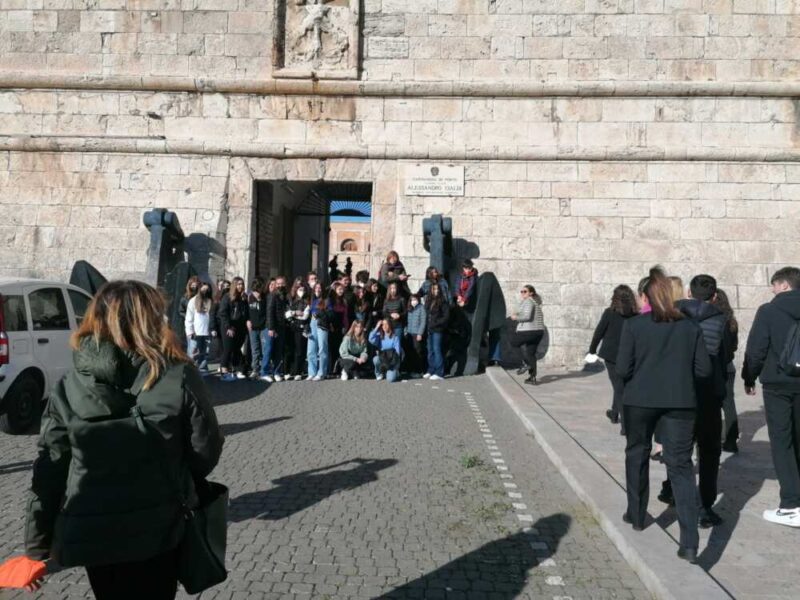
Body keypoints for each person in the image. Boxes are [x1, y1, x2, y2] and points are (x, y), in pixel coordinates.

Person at [24, 280, 223, 599]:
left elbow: (50, 468)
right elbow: (205, 452)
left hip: (92, 528)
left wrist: (36, 545)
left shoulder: (68, 384)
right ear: (153, 319)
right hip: (158, 527)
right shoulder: (178, 374)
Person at [616, 266, 712, 564]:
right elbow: (704, 371)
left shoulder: (634, 327)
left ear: (647, 297)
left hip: (640, 400)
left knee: (637, 452)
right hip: (681, 402)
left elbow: (622, 369)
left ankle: (636, 514)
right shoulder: (690, 327)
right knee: (680, 466)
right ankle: (689, 543)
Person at [672, 274, 731, 528]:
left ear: (688, 292)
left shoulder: (673, 316)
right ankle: (705, 506)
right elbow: (727, 354)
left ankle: (677, 498)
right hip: (708, 393)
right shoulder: (721, 320)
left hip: (678, 391)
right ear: (714, 295)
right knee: (709, 452)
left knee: (679, 451)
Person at [743, 266, 800, 528]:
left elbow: (756, 348)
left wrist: (749, 377)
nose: (773, 289)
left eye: (775, 285)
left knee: (782, 441)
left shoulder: (769, 310)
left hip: (778, 384)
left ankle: (791, 505)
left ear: (785, 285)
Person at [588, 285, 638, 433]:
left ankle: (625, 425)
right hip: (629, 356)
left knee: (619, 387)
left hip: (611, 356)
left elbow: (599, 333)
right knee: (621, 386)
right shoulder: (636, 315)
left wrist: (592, 350)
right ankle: (614, 413)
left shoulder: (609, 313)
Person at [714, 289, 740, 453]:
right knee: (729, 403)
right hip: (729, 366)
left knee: (714, 404)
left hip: (717, 366)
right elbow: (735, 346)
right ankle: (731, 440)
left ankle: (715, 438)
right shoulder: (731, 321)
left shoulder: (715, 321)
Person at [509, 286, 545, 386]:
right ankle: (532, 377)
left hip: (529, 330)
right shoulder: (535, 303)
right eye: (521, 291)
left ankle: (525, 363)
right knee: (530, 353)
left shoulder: (528, 301)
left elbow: (527, 316)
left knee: (513, 342)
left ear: (531, 293)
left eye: (525, 291)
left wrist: (515, 317)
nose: (522, 293)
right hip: (538, 332)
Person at [218, 277, 249, 381]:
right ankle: (224, 372)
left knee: (236, 349)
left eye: (242, 284)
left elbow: (245, 313)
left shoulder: (243, 298)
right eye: (239, 284)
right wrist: (228, 326)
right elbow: (223, 313)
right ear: (234, 285)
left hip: (240, 328)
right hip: (228, 327)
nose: (241, 286)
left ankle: (236, 369)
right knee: (228, 349)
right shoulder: (227, 297)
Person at [262, 276, 288, 382]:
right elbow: (269, 312)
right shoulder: (272, 295)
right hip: (272, 328)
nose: (280, 285)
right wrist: (271, 328)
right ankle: (264, 372)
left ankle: (276, 372)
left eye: (282, 283)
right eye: (278, 283)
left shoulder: (284, 296)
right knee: (268, 350)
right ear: (275, 284)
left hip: (281, 327)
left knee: (278, 351)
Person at [185, 280, 214, 373]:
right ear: (200, 289)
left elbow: (213, 317)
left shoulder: (210, 301)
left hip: (207, 332)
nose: (205, 290)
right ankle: (191, 371)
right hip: (195, 333)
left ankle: (202, 368)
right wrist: (190, 331)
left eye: (207, 289)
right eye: (203, 288)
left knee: (205, 352)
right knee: (193, 353)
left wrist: (213, 329)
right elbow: (189, 317)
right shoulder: (193, 301)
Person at [425, 283, 450, 381]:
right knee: (430, 350)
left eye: (437, 289)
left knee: (437, 350)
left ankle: (439, 372)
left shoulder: (443, 301)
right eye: (434, 289)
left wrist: (436, 323)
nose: (436, 291)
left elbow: (446, 317)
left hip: (437, 329)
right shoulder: (429, 300)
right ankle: (431, 369)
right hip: (429, 329)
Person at [287, 282, 311, 381]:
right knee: (290, 349)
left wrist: (292, 314)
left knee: (299, 350)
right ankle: (289, 371)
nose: (302, 292)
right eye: (300, 289)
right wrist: (295, 312)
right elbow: (286, 314)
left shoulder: (307, 302)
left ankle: (298, 371)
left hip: (301, 328)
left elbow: (305, 316)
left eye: (303, 290)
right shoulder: (292, 301)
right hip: (291, 327)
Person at [307, 282, 330, 381]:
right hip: (312, 323)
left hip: (322, 325)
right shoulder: (312, 300)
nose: (317, 289)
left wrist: (319, 314)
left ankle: (321, 372)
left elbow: (330, 315)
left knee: (322, 349)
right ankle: (312, 372)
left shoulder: (327, 300)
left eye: (320, 288)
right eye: (316, 287)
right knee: (311, 349)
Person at [246, 278, 267, 380]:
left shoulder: (264, 297)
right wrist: (247, 320)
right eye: (257, 290)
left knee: (264, 349)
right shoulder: (249, 298)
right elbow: (245, 312)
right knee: (255, 349)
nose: (258, 292)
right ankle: (255, 369)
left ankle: (264, 369)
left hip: (263, 327)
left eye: (260, 290)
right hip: (253, 328)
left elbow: (266, 312)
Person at [329, 282, 350, 374]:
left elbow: (345, 316)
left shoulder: (344, 301)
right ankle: (331, 368)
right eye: (339, 289)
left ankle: (339, 369)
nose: (341, 291)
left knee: (340, 349)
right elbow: (329, 314)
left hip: (341, 327)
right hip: (332, 326)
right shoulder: (331, 300)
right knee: (332, 349)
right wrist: (330, 325)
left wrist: (346, 327)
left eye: (342, 289)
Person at [404, 293, 427, 378]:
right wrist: (406, 331)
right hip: (409, 333)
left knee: (418, 352)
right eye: (412, 300)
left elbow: (423, 322)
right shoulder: (410, 309)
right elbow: (407, 321)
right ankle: (411, 370)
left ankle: (419, 371)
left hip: (417, 334)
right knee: (410, 352)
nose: (413, 301)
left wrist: (420, 333)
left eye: (415, 299)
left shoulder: (421, 308)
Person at [178, 276, 201, 349]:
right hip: (190, 323)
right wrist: (188, 317)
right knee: (192, 343)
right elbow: (181, 311)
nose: (194, 287)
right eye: (192, 285)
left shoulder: (201, 297)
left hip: (200, 323)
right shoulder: (185, 298)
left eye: (196, 285)